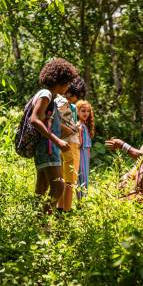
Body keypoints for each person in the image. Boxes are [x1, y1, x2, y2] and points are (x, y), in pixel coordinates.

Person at [30, 58, 78, 213]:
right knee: (58, 186)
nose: (68, 86)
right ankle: (45, 221)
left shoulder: (50, 96)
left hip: (46, 148)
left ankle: (35, 222)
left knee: (42, 187)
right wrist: (57, 141)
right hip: (48, 148)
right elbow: (35, 120)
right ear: (60, 81)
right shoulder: (46, 94)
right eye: (68, 82)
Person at [55, 77, 87, 211]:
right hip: (70, 144)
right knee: (70, 182)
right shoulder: (62, 101)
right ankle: (66, 212)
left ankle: (60, 209)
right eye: (77, 97)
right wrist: (72, 129)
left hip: (60, 144)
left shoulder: (56, 99)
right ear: (74, 93)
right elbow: (55, 122)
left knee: (62, 179)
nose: (76, 101)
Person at [75, 100, 94, 199]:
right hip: (81, 154)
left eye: (88, 111)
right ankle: (81, 201)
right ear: (77, 112)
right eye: (83, 111)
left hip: (86, 155)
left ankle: (83, 201)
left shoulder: (85, 126)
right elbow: (79, 144)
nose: (86, 113)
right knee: (81, 178)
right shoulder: (79, 126)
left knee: (85, 178)